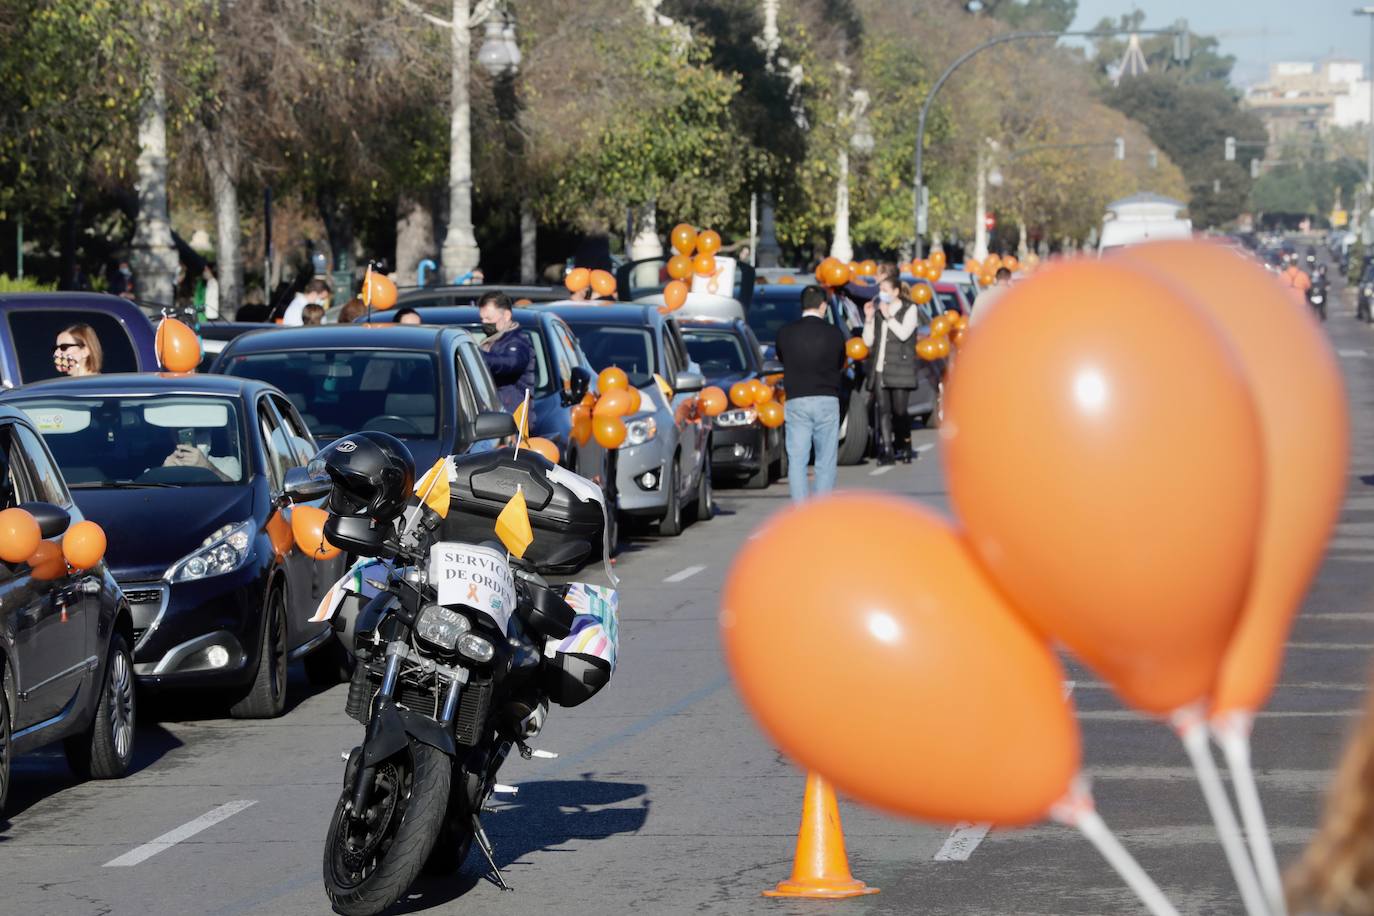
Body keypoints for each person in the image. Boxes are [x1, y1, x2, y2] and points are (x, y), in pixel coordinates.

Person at [776, 285, 847, 503]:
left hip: (797, 399)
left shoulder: (786, 333)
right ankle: (820, 511)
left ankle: (800, 511)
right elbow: (840, 362)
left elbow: (781, 358)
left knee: (797, 460)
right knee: (825, 460)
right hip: (827, 398)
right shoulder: (834, 334)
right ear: (823, 305)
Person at [862, 273, 920, 465]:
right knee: (883, 410)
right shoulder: (878, 311)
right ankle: (887, 450)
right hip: (880, 368)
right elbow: (868, 341)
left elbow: (904, 334)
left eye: (885, 290)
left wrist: (889, 316)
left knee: (900, 411)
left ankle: (905, 443)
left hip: (901, 368)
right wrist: (869, 319)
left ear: (895, 292)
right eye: (880, 290)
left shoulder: (909, 309)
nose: (881, 294)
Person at [476, 292, 535, 411]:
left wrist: (476, 357)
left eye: (489, 318)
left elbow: (511, 363)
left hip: (514, 416)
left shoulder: (518, 342)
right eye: (482, 319)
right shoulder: (489, 342)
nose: (485, 323)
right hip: (495, 414)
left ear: (507, 315)